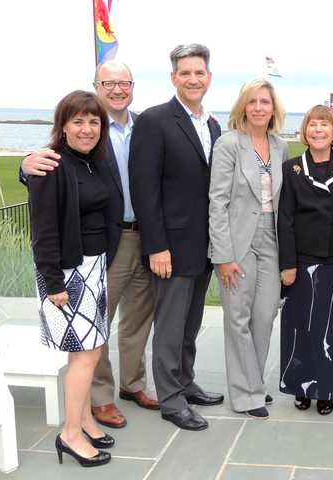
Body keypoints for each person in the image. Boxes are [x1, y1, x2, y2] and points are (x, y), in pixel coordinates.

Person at [22, 60, 159, 429]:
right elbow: (50, 182)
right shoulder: (80, 142)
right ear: (97, 86)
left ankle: (134, 385)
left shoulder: (145, 126)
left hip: (143, 237)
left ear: (133, 86)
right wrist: (25, 164)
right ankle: (98, 401)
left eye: (124, 82)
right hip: (98, 248)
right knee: (92, 334)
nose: (117, 89)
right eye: (108, 82)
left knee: (134, 320)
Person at [129, 44, 223, 431]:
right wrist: (157, 246)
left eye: (199, 73)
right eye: (185, 73)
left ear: (209, 77)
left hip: (204, 245)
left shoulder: (213, 125)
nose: (193, 79)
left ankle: (185, 382)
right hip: (171, 245)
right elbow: (144, 189)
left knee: (191, 321)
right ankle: (170, 400)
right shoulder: (154, 121)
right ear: (173, 77)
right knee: (169, 325)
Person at [28, 90, 113, 467]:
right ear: (62, 125)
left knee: (92, 351)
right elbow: (43, 230)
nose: (86, 128)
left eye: (93, 121)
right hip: (67, 274)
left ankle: (84, 419)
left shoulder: (94, 162)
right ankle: (70, 434)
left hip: (94, 268)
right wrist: (53, 283)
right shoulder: (51, 165)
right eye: (77, 121)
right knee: (81, 356)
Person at [278, 105, 333, 415]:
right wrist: (287, 264)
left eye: (324, 125)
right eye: (312, 125)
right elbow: (285, 220)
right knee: (301, 327)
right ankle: (301, 387)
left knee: (332, 329)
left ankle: (327, 389)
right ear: (304, 132)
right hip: (301, 263)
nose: (318, 130)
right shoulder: (291, 169)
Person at [208, 78, 288, 419]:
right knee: (238, 317)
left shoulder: (281, 146)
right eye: (252, 101)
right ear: (243, 107)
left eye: (265, 102)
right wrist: (223, 256)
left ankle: (253, 381)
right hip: (237, 240)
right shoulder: (228, 145)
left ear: (273, 109)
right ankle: (246, 394)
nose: (258, 107)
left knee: (265, 315)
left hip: (272, 238)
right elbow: (217, 202)